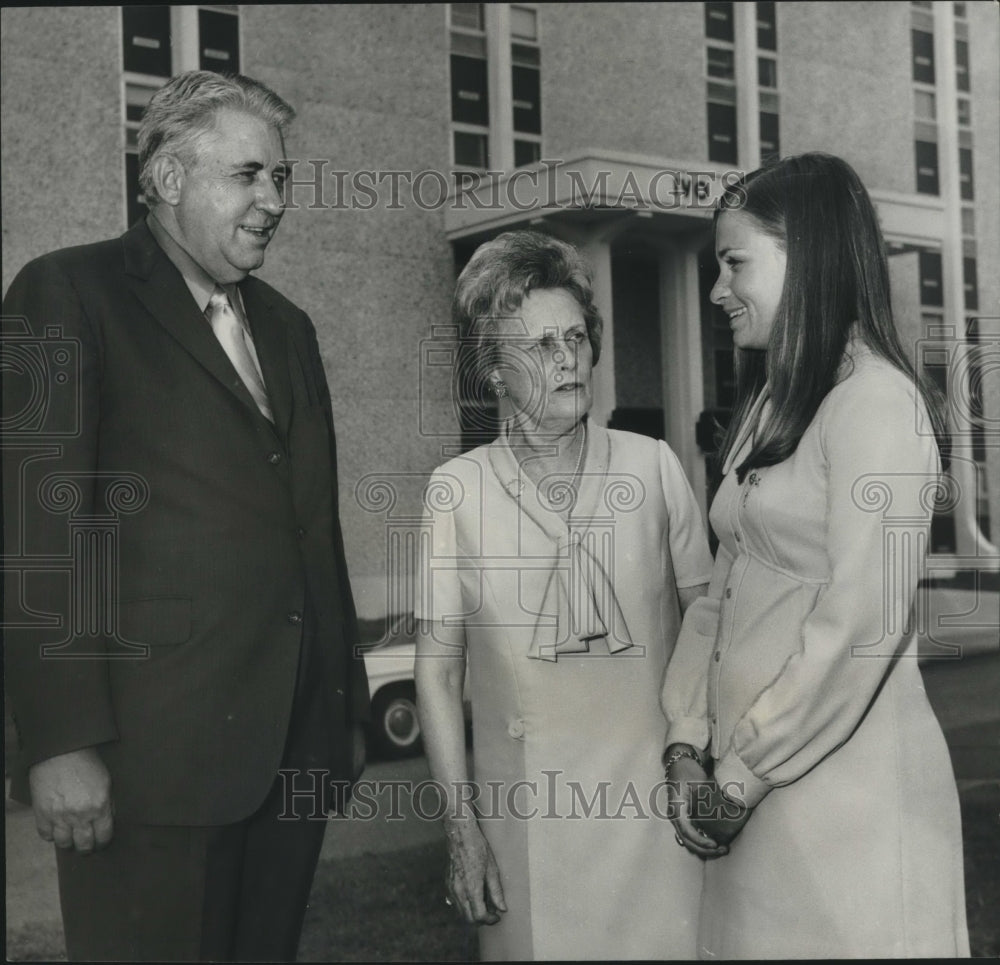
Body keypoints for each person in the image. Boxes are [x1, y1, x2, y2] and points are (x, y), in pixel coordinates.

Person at [2, 71, 369, 962]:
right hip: (145, 772)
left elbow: (309, 531)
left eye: (280, 178)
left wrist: (341, 706)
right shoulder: (66, 294)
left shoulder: (290, 328)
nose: (275, 200)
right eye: (249, 175)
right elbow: (37, 535)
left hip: (291, 757)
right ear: (167, 177)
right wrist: (59, 742)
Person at [661, 152, 970, 958]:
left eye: (735, 263)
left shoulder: (880, 405)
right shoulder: (773, 399)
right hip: (749, 799)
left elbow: (858, 626)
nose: (717, 291)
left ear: (811, 255)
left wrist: (738, 777)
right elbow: (721, 594)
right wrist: (685, 739)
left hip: (845, 812)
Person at [414, 230, 713, 960]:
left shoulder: (653, 467)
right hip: (529, 826)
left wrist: (694, 749)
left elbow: (709, 621)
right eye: (540, 345)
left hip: (656, 814)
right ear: (492, 370)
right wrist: (463, 831)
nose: (567, 357)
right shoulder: (457, 491)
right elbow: (437, 670)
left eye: (576, 336)